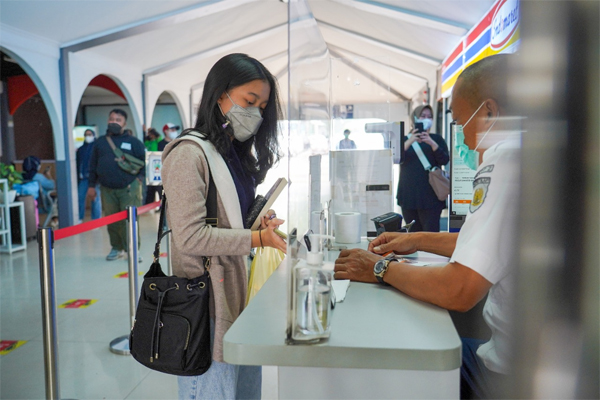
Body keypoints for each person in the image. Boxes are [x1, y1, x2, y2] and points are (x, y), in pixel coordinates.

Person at [334, 55, 517, 399]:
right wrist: (414, 239)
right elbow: (490, 241)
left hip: (506, 373)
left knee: (397, 358)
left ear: (490, 112)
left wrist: (379, 268)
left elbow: (458, 289)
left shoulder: (506, 156)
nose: (462, 134)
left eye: (462, 122)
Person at [161, 53, 286, 400]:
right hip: (208, 307)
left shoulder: (232, 152)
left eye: (262, 106)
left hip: (238, 297)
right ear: (220, 95)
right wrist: (256, 237)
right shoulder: (189, 153)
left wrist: (258, 221)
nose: (256, 113)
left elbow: (230, 219)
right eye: (250, 101)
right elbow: (190, 236)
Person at [87, 109, 146, 261]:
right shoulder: (100, 142)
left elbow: (145, 161)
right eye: (111, 119)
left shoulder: (134, 142)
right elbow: (93, 165)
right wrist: (91, 186)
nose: (114, 122)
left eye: (118, 119)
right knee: (112, 220)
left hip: (128, 188)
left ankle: (133, 250)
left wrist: (140, 178)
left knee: (130, 221)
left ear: (124, 123)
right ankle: (116, 247)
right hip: (107, 189)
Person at [396, 104, 449, 232]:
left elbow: (444, 160)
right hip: (409, 195)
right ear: (415, 119)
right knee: (412, 234)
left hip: (431, 195)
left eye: (429, 117)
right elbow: (396, 158)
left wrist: (431, 143)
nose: (427, 119)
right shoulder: (404, 140)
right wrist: (410, 141)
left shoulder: (436, 139)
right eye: (423, 116)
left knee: (431, 234)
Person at [76, 129, 101, 222]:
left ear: (94, 135)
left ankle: (96, 219)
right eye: (86, 135)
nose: (88, 136)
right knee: (80, 197)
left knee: (95, 198)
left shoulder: (96, 148)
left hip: (94, 178)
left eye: (90, 134)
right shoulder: (81, 149)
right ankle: (79, 217)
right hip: (83, 178)